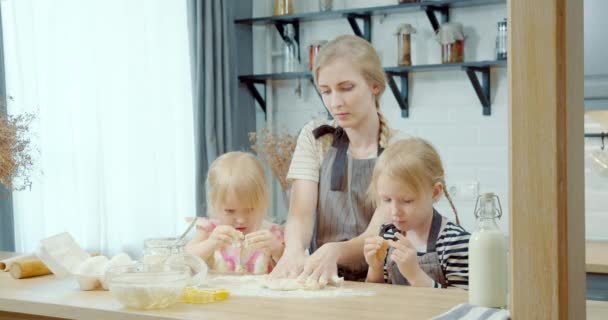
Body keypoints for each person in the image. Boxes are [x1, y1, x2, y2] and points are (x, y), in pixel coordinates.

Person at [270, 35, 409, 282]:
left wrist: (334, 251)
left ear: (374, 85)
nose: (335, 102)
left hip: (383, 280)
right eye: (326, 91)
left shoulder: (399, 149)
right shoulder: (315, 138)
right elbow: (300, 214)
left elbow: (376, 233)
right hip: (324, 277)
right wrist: (293, 251)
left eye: (347, 88)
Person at [363, 138, 470, 289]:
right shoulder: (388, 234)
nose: (395, 211)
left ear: (435, 192)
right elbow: (378, 298)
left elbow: (461, 305)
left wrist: (414, 274)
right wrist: (375, 268)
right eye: (386, 200)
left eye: (407, 201)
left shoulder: (456, 242)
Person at [186, 152, 284, 274]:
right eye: (230, 211)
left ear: (263, 203)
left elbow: (291, 266)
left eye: (250, 210)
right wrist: (210, 244)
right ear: (214, 205)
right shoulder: (209, 230)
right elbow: (186, 259)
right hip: (221, 292)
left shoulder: (271, 233)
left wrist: (277, 249)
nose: (241, 219)